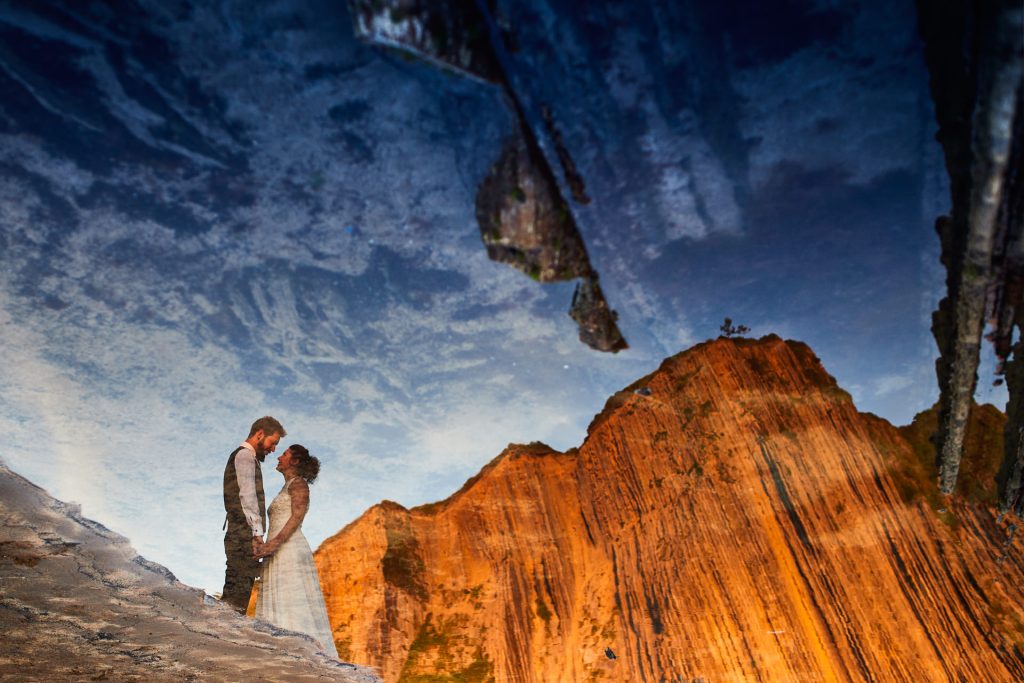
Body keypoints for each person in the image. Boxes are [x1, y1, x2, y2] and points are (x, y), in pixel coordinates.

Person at [254, 444, 338, 658]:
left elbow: (296, 517)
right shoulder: (287, 486)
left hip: (288, 550)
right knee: (280, 607)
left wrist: (273, 544)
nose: (279, 457)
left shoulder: (299, 484)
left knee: (292, 604)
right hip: (276, 552)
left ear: (295, 461)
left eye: (284, 454)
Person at [222, 416, 285, 612]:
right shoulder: (245, 456)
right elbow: (247, 495)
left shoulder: (248, 458)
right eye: (272, 443)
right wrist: (257, 534)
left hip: (241, 533)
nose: (273, 449)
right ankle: (223, 635)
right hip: (243, 534)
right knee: (237, 593)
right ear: (259, 434)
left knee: (239, 588)